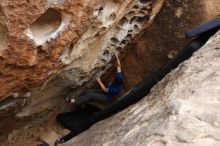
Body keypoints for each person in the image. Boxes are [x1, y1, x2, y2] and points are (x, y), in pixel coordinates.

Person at [55, 52, 123, 145]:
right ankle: (81, 103)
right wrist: (116, 56)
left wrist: (99, 81)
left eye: (115, 78)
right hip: (105, 92)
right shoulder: (119, 76)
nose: (115, 77)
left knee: (90, 96)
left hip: (106, 97)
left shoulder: (115, 88)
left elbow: (105, 89)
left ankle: (74, 101)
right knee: (88, 92)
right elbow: (119, 66)